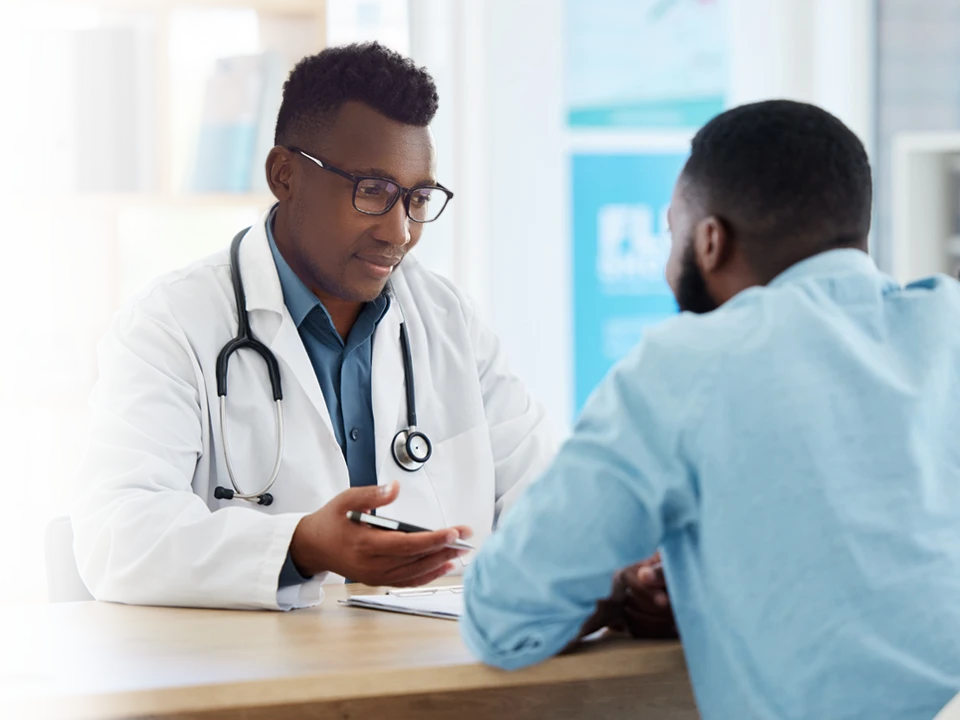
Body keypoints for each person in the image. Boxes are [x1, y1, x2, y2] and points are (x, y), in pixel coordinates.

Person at [461, 100, 960, 719]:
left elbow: (503, 617)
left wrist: (618, 586)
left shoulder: (689, 365)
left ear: (711, 241)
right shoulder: (948, 325)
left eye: (672, 236)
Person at [68, 42, 556, 611]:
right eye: (372, 191)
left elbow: (543, 496)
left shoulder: (449, 322)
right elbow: (117, 533)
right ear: (284, 175)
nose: (400, 232)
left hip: (436, 677)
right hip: (262, 686)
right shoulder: (167, 327)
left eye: (418, 198)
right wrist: (298, 547)